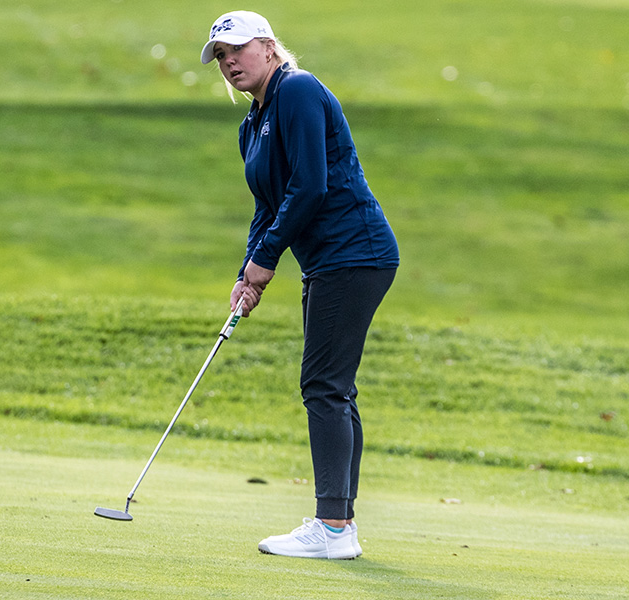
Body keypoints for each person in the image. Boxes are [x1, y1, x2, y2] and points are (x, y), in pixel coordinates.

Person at [201, 11, 399, 559]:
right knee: (334, 389)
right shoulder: (252, 124)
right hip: (330, 261)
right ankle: (340, 526)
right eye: (220, 56)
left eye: (237, 49)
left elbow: (311, 185)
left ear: (268, 47)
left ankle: (333, 528)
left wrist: (267, 260)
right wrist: (250, 271)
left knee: (324, 387)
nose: (229, 62)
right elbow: (268, 207)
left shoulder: (299, 90)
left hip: (356, 252)